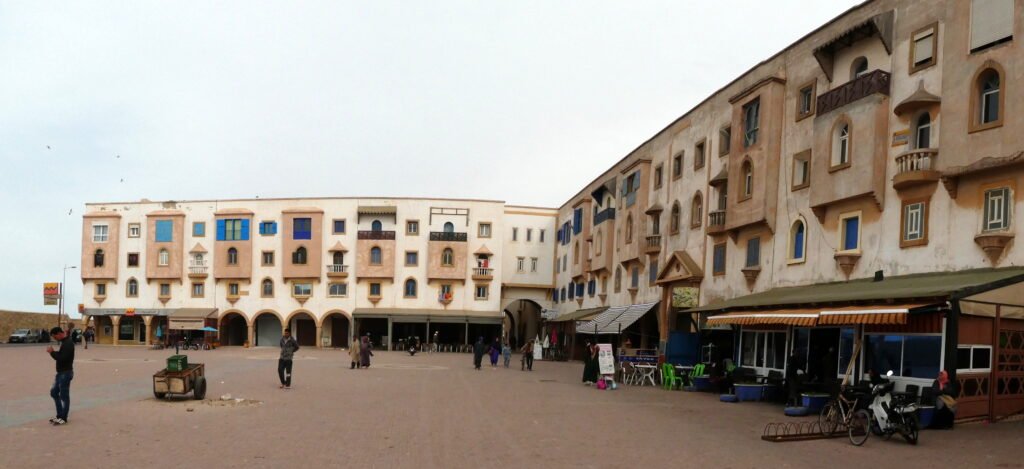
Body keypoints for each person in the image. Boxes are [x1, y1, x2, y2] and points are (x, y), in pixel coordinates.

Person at [46, 327, 74, 425]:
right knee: (54, 392)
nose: (55, 339)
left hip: (65, 373)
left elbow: (62, 358)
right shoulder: (65, 342)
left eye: (55, 337)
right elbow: (62, 355)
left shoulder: (68, 343)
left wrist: (52, 352)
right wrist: (54, 352)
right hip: (61, 373)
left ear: (59, 333)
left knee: (64, 396)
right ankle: (59, 415)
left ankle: (63, 417)